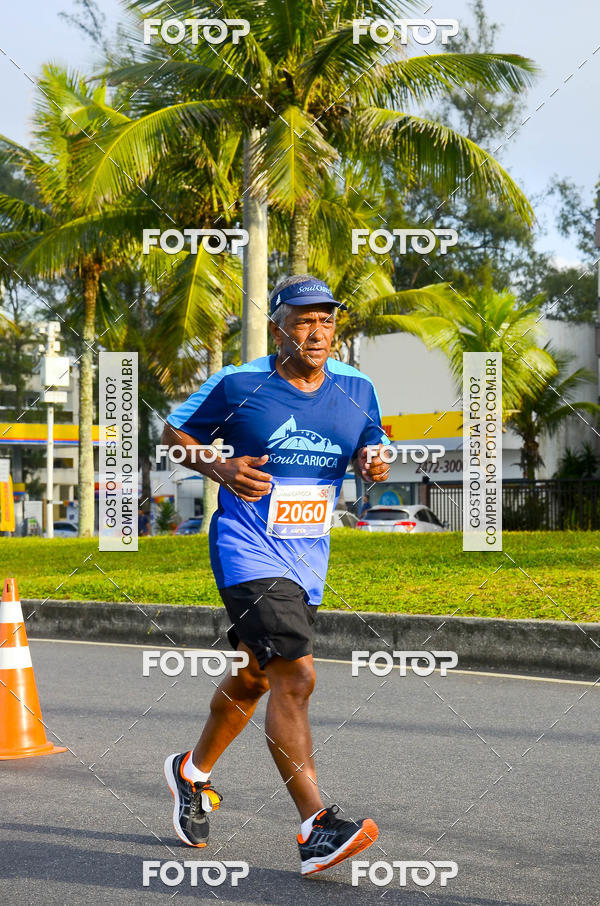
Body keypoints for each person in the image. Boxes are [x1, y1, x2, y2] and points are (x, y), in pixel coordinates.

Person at [160, 274, 390, 875]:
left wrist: (374, 459)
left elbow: (371, 440)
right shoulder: (237, 382)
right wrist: (220, 465)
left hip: (307, 560)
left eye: (327, 321)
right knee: (297, 674)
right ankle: (317, 825)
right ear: (277, 326)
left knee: (256, 677)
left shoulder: (358, 387)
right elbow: (173, 434)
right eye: (304, 320)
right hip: (248, 550)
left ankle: (191, 771)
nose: (317, 332)